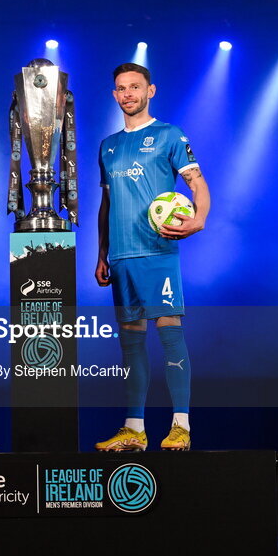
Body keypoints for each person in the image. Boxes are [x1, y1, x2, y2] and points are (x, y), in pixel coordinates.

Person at [94, 63, 211, 451]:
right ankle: (134, 430)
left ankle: (181, 426)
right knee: (130, 341)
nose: (128, 94)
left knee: (169, 332)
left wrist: (199, 220)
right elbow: (106, 202)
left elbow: (197, 184)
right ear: (115, 95)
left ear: (150, 91)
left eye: (135, 87)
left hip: (158, 250)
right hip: (121, 256)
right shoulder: (107, 145)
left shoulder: (169, 135)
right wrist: (102, 253)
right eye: (121, 89)